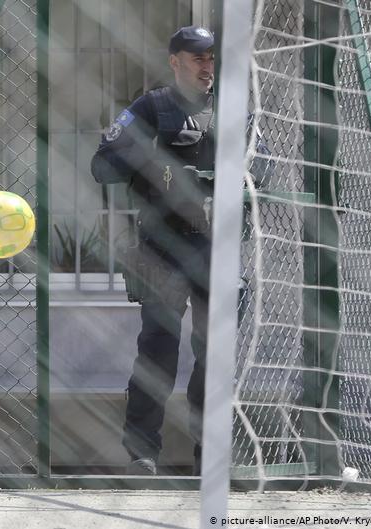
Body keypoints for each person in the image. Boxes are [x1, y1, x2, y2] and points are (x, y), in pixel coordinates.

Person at [90, 26, 218, 476]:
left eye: (211, 58)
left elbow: (261, 170)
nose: (207, 67)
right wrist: (147, 157)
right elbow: (102, 166)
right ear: (175, 62)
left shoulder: (231, 109)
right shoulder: (150, 108)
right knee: (158, 352)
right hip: (161, 247)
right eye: (198, 58)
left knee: (215, 354)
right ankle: (142, 455)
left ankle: (211, 455)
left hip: (215, 248)